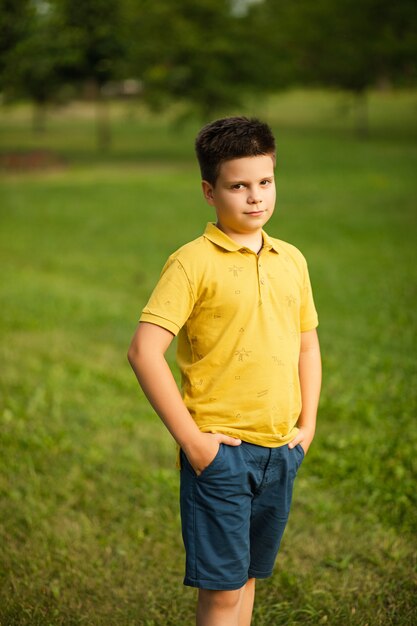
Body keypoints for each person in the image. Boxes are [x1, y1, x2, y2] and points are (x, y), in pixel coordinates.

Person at [128, 116, 321, 626]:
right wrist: (195, 445)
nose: (255, 197)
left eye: (265, 182)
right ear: (209, 192)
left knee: (250, 579)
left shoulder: (291, 260)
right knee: (221, 592)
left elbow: (307, 345)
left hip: (281, 449)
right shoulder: (191, 263)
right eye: (238, 185)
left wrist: (307, 428)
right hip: (222, 456)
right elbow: (145, 352)